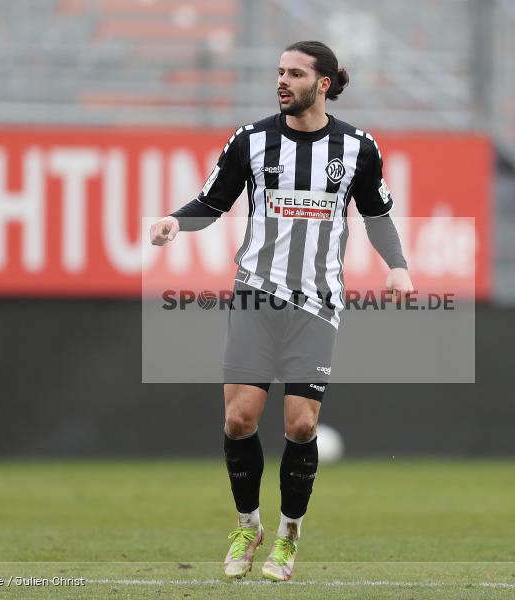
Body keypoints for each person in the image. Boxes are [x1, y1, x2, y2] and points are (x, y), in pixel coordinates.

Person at [150, 40, 413, 582]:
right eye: (279, 71)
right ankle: (249, 526)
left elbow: (377, 214)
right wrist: (176, 221)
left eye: (294, 73)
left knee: (300, 425)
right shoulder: (251, 140)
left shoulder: (358, 148)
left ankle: (290, 534)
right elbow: (212, 201)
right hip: (255, 296)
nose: (282, 80)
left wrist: (398, 266)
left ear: (322, 83)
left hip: (317, 302)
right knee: (239, 418)